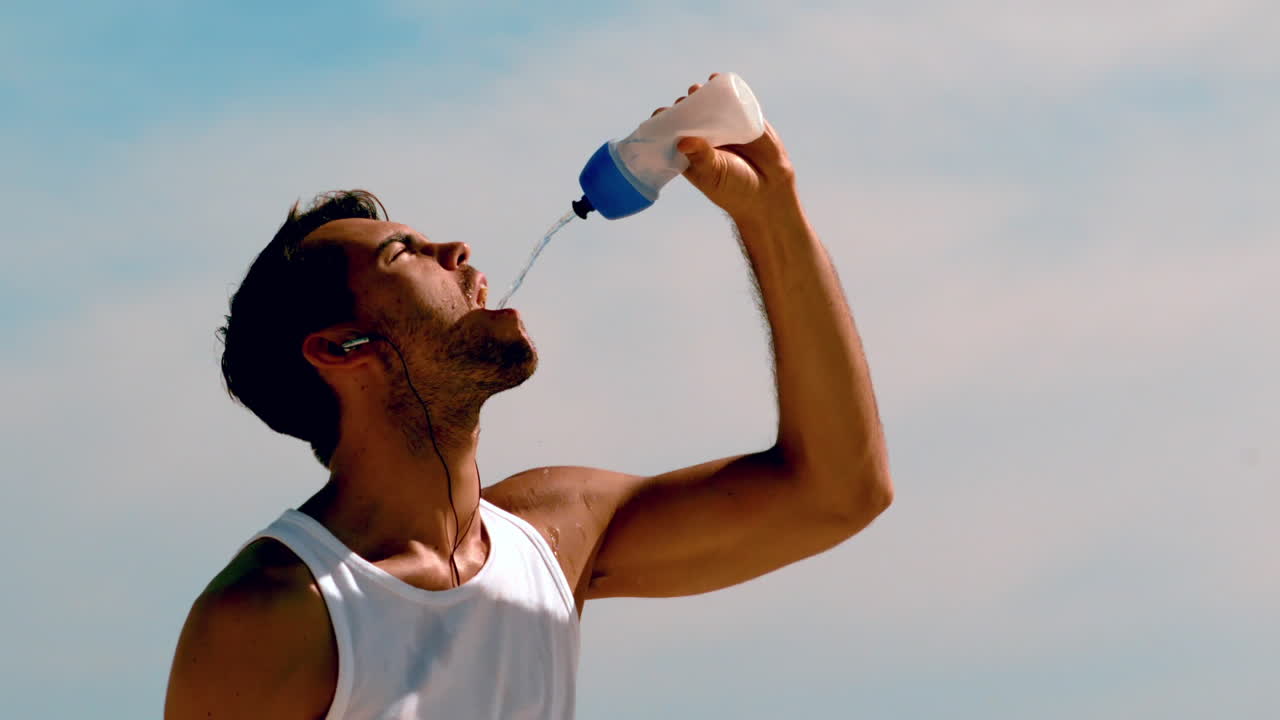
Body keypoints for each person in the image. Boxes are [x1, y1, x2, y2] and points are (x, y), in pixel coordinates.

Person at [164, 74, 893, 719]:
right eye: (402, 254)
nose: (456, 252)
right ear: (341, 350)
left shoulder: (548, 535)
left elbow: (838, 491)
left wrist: (773, 216)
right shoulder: (273, 615)